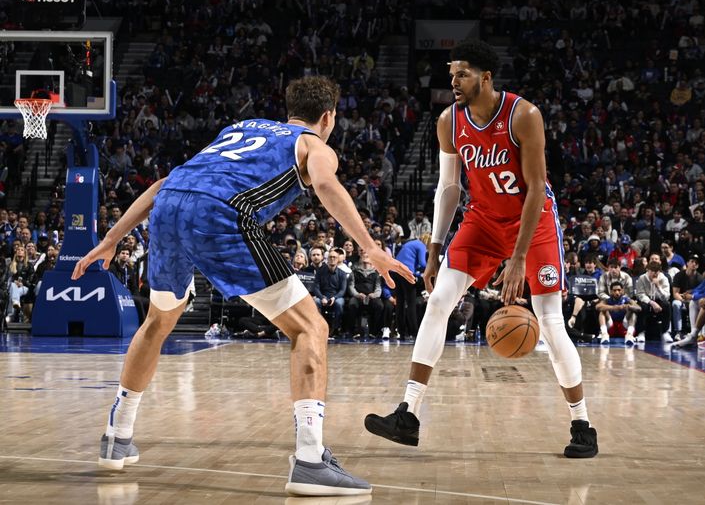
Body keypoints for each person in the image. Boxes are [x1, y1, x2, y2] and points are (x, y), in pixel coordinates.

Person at [71, 75, 414, 497]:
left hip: (167, 208)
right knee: (311, 328)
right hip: (219, 215)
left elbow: (165, 184)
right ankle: (310, 460)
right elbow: (325, 184)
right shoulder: (313, 145)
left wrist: (111, 238)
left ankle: (117, 435)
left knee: (159, 322)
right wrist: (370, 247)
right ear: (328, 117)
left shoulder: (241, 127)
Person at [363, 39, 598, 458]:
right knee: (437, 301)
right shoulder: (448, 122)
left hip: (534, 221)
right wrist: (435, 250)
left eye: (462, 74)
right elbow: (449, 187)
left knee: (549, 320)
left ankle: (582, 424)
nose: (453, 81)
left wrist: (519, 258)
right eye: (451, 74)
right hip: (484, 221)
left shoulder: (523, 115)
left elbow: (536, 189)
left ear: (485, 77)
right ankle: (408, 414)